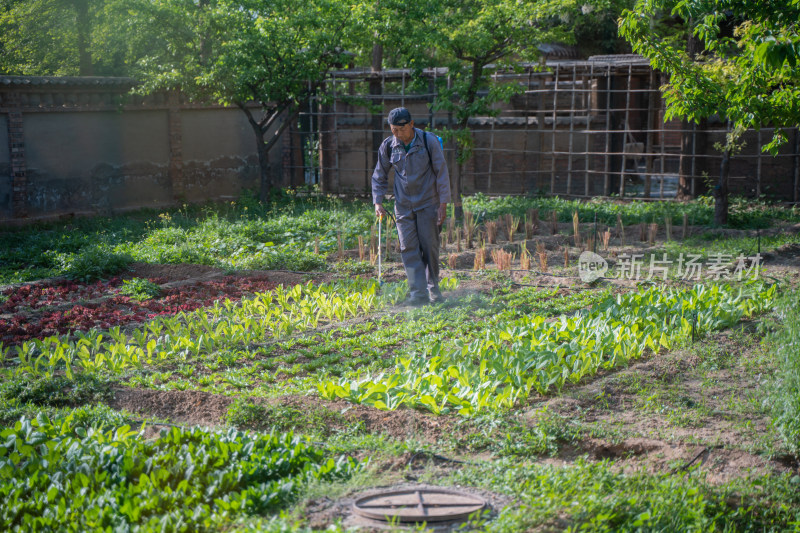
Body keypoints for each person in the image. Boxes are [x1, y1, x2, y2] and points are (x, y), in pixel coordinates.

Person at [372, 107, 451, 305]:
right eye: (393, 130)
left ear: (411, 124)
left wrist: (443, 203)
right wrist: (378, 201)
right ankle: (418, 294)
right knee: (408, 248)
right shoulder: (389, 146)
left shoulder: (428, 141)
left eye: (401, 129)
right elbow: (379, 175)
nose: (397, 134)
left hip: (428, 203)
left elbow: (441, 172)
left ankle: (434, 291)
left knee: (429, 246)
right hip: (403, 205)